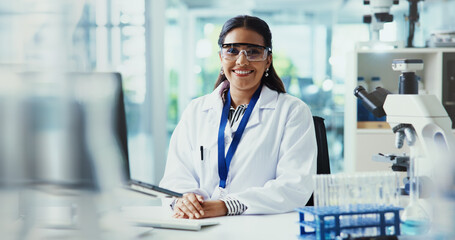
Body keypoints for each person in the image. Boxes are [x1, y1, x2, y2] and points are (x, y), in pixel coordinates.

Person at [159, 15, 316, 219]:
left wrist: (227, 205)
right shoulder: (196, 111)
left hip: (262, 229)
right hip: (199, 225)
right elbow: (175, 177)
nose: (241, 61)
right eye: (232, 51)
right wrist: (185, 200)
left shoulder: (292, 111)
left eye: (253, 52)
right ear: (221, 57)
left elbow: (295, 186)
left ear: (268, 60)